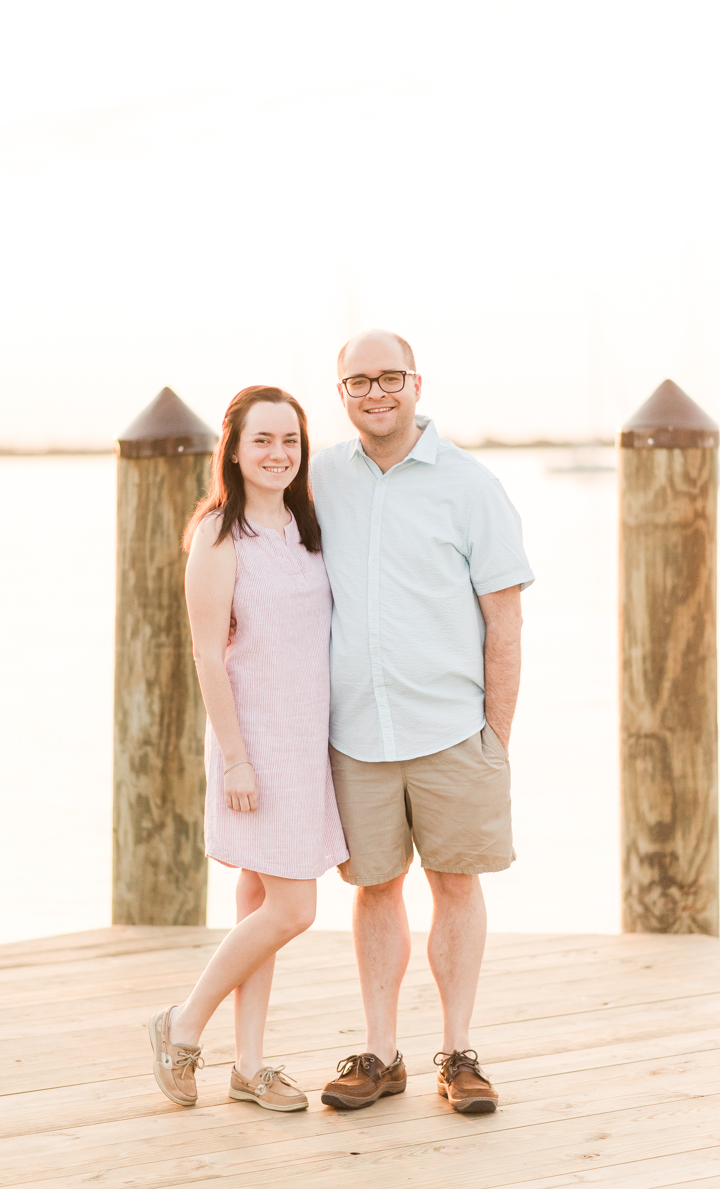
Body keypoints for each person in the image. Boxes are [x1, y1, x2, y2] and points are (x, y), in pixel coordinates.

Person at [311, 330, 534, 1115]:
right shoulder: (322, 477)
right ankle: (378, 1053)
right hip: (356, 732)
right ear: (341, 391)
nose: (376, 392)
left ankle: (459, 1052)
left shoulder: (470, 485)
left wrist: (495, 739)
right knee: (374, 888)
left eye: (390, 377)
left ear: (415, 382)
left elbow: (503, 622)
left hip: (452, 730)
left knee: (456, 883)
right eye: (358, 381)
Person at [148, 385, 348, 1114]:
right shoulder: (218, 533)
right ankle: (182, 1021)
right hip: (254, 743)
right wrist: (235, 757)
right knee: (294, 908)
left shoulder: (307, 525)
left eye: (290, 440)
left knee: (261, 901)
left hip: (308, 740)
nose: (278, 454)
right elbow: (206, 653)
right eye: (262, 440)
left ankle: (250, 1066)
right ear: (233, 448)